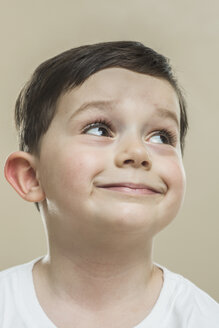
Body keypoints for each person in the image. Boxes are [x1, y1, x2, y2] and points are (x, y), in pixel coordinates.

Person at [1, 41, 219, 328]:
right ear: (30, 176)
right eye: (99, 129)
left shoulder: (201, 318)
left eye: (161, 137)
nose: (138, 154)